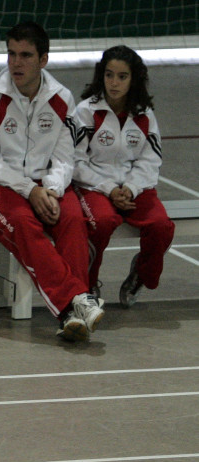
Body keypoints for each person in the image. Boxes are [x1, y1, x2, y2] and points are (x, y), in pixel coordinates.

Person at [0, 21, 104, 342]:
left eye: (26, 55)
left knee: (71, 218)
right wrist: (31, 190)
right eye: (11, 53)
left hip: (45, 182)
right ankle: (76, 303)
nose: (16, 62)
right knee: (21, 221)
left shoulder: (61, 99)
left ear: (43, 60)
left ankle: (74, 314)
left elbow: (65, 157)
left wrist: (53, 190)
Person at [73, 45, 174, 308]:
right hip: (95, 186)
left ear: (134, 79)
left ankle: (141, 273)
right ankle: (89, 284)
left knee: (161, 226)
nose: (114, 83)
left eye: (122, 76)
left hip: (135, 189)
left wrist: (130, 187)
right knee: (102, 221)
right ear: (101, 76)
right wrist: (109, 189)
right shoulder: (85, 112)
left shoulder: (144, 115)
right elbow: (75, 161)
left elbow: (150, 160)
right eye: (109, 75)